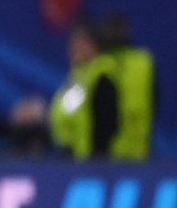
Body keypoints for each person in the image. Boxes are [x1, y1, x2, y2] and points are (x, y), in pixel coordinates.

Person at [50, 14, 154, 160]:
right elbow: (67, 114)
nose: (74, 47)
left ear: (94, 45)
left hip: (103, 158)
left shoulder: (102, 76)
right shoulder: (80, 77)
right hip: (81, 157)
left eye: (81, 41)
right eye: (73, 41)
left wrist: (98, 155)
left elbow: (106, 122)